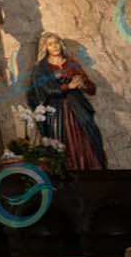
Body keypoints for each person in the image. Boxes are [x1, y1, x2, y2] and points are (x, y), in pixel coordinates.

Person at [29, 32, 107, 170]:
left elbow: (92, 89)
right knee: (61, 141)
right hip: (56, 112)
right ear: (45, 48)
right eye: (50, 44)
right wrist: (67, 86)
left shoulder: (71, 63)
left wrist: (83, 84)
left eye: (57, 42)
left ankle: (90, 171)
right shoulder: (41, 68)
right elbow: (44, 90)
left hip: (78, 108)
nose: (55, 46)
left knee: (87, 138)